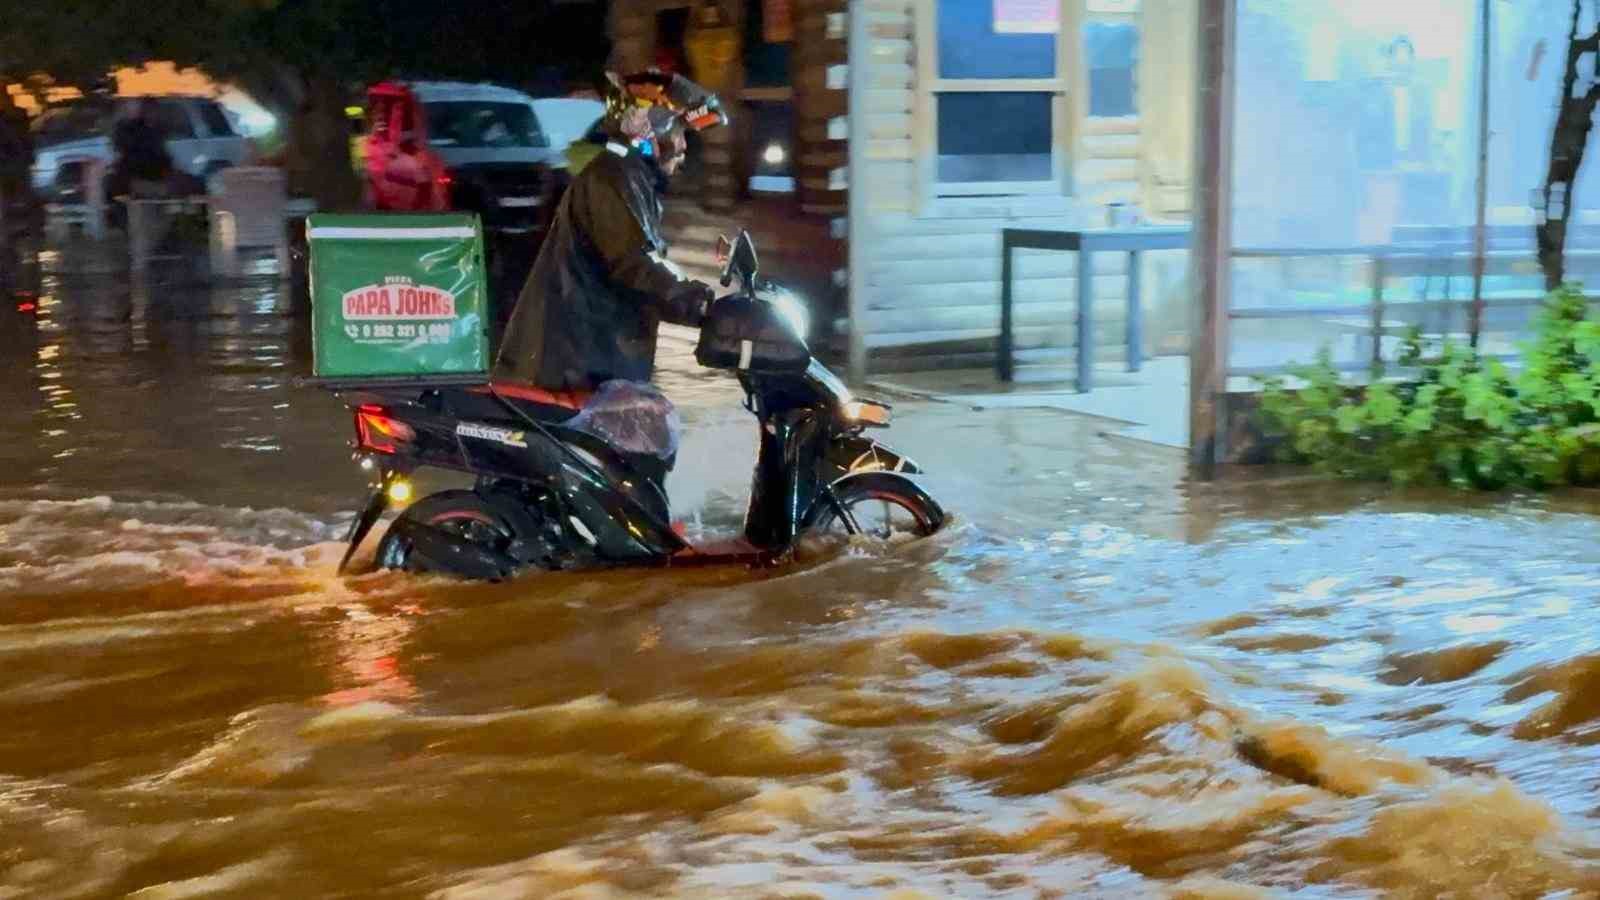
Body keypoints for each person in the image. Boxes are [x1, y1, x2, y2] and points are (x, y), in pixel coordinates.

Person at [494, 69, 728, 499]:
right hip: (576, 355)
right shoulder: (615, 178)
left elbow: (642, 262)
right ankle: (640, 555)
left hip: (593, 349)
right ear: (650, 133)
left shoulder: (628, 177)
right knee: (646, 437)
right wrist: (703, 304)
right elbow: (635, 262)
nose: (683, 149)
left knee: (642, 445)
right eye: (677, 135)